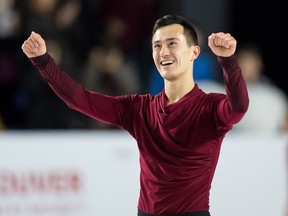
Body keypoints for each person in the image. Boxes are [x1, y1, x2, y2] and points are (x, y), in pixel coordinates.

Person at [21, 15, 249, 216]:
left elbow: (238, 108)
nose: (164, 52)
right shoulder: (139, 109)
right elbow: (79, 99)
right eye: (157, 45)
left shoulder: (209, 108)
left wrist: (228, 61)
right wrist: (43, 61)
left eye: (172, 43)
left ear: (194, 52)